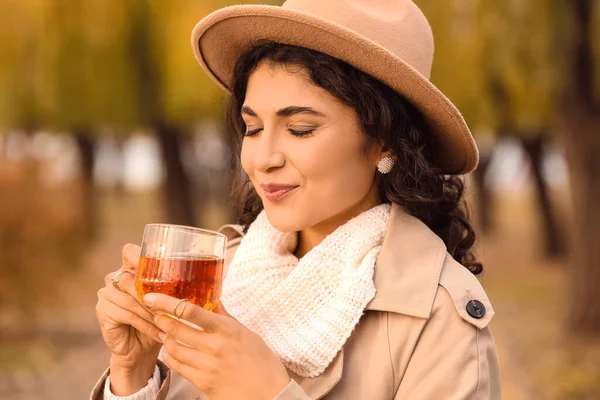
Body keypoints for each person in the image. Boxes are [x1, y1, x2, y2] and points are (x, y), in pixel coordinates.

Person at [91, 0, 502, 399]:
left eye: (301, 129)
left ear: (385, 142)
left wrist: (267, 394)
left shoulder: (438, 315)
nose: (262, 160)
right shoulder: (222, 274)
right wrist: (133, 375)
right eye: (252, 128)